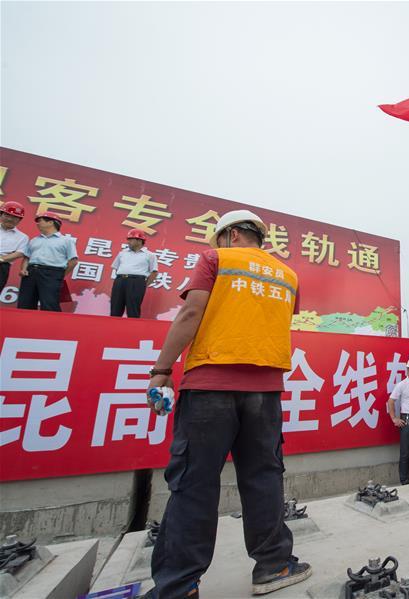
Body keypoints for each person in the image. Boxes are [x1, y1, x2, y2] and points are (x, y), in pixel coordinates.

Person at [143, 210, 309, 598]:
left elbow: (191, 312)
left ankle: (180, 585)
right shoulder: (288, 274)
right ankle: (274, 566)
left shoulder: (216, 259)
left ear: (231, 234)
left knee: (194, 483)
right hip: (265, 392)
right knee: (264, 478)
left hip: (210, 385)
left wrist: (162, 369)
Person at [17, 211, 77, 311]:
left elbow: (73, 261)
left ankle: (51, 326)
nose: (38, 223)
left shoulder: (66, 241)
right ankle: (24, 324)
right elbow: (27, 257)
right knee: (25, 303)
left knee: (49, 303)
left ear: (51, 222)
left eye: (40, 221)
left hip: (52, 273)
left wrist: (60, 275)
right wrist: (23, 269)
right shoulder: (34, 240)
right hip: (30, 273)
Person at [110, 229, 158, 318]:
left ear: (139, 241)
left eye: (131, 239)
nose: (128, 242)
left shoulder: (150, 255)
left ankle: (132, 330)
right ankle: (112, 329)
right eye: (128, 239)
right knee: (115, 308)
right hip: (120, 281)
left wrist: (143, 284)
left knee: (133, 310)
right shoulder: (122, 253)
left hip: (137, 282)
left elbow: (154, 272)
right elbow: (116, 268)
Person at [0, 201, 28, 290]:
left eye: (15, 217)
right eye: (7, 215)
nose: (10, 219)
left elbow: (19, 253)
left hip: (2, 266)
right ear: (1, 215)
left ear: (20, 220)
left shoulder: (23, 237)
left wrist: (1, 259)